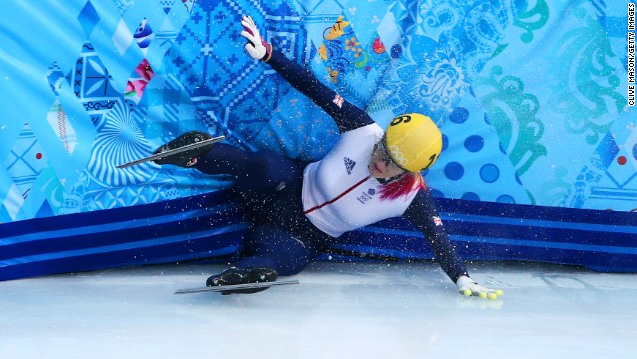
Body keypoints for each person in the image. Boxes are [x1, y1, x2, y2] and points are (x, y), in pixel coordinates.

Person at [153, 15, 503, 299]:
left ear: (409, 171)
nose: (379, 160)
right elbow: (313, 87)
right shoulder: (363, 130)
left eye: (392, 163)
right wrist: (268, 54)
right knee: (264, 165)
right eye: (383, 148)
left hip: (303, 232)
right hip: (286, 185)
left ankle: (245, 274)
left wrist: (461, 277)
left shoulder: (413, 197)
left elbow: (438, 239)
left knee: (283, 259)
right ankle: (198, 153)